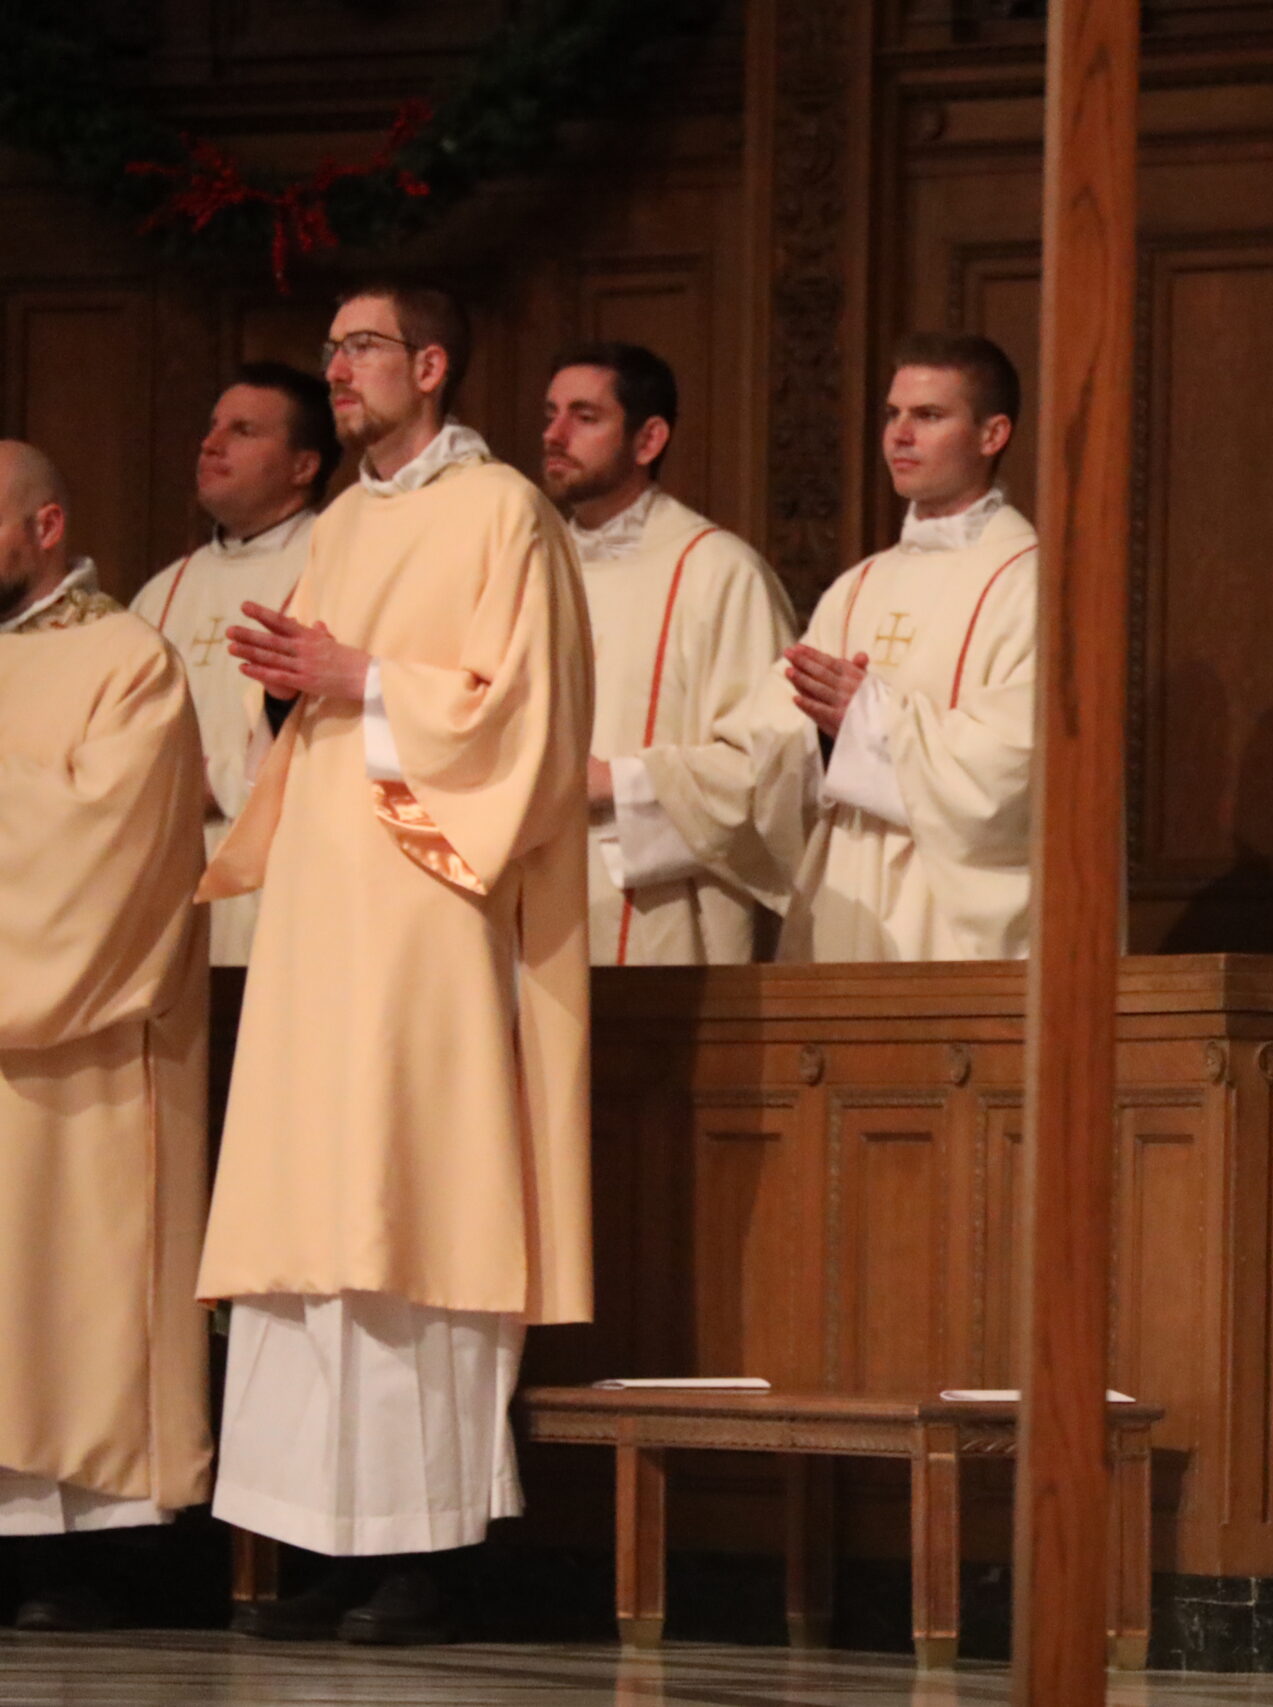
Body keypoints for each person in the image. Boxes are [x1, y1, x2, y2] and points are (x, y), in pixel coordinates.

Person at [197, 282, 594, 1644]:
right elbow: (311, 693)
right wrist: (290, 683)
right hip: (324, 906)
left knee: (411, 1201)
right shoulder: (346, 524)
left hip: (429, 903)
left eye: (360, 347)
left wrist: (363, 678)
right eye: (330, 349)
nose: (337, 368)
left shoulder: (503, 513)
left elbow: (527, 718)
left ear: (429, 364)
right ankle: (325, 1537)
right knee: (314, 1215)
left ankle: (425, 1551)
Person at [0, 441, 213, 1633]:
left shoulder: (128, 660)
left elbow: (105, 853)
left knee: (57, 1287)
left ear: (47, 527)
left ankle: (62, 1557)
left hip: (71, 1054)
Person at [770, 331, 1037, 961]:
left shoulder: (1034, 583)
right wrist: (820, 733)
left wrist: (869, 717)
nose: (900, 436)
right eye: (893, 415)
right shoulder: (857, 586)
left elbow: (1018, 770)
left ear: (992, 435)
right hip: (848, 900)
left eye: (929, 416)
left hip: (953, 926)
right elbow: (773, 742)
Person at [539, 342, 799, 964]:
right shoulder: (528, 567)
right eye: (550, 414)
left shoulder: (719, 572)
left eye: (584, 417)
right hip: (535, 905)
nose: (555, 435)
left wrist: (618, 783)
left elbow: (772, 769)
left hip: (663, 922)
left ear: (649, 439)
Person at [133, 364, 339, 965]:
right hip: (163, 876)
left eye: (243, 431)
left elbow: (342, 735)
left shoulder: (338, 567)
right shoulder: (163, 590)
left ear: (304, 466)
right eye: (213, 426)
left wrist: (211, 782)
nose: (211, 444)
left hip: (285, 877)